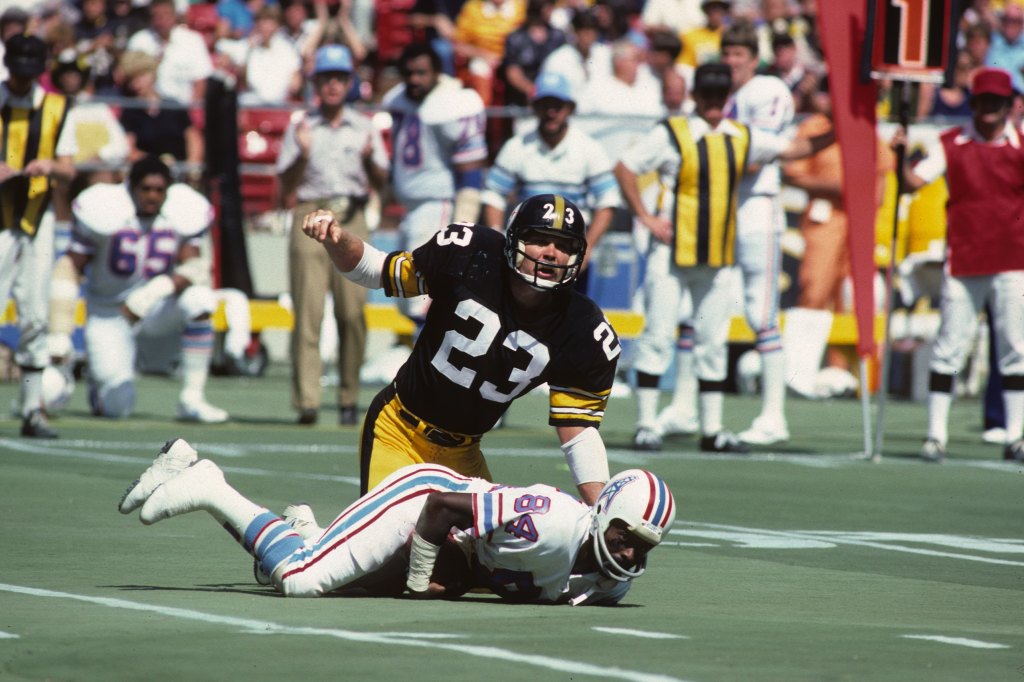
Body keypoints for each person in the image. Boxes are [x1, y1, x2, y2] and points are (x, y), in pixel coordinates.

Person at [302, 193, 622, 505]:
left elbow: (579, 435)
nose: (552, 253)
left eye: (565, 246)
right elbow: (377, 269)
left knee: (482, 555)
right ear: (513, 240)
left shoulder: (582, 327)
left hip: (465, 454)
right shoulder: (471, 253)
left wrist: (602, 511)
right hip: (399, 431)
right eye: (540, 239)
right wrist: (337, 238)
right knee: (391, 551)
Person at [118, 437, 676, 605]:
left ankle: (307, 531)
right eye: (627, 538)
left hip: (456, 552)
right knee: (299, 580)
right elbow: (441, 509)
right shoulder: (553, 521)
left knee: (314, 578)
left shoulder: (607, 582)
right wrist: (418, 581)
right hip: (423, 500)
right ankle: (210, 487)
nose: (630, 555)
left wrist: (449, 579)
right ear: (606, 516)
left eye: (643, 549)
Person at [615, 63, 834, 453]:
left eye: (720, 98)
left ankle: (712, 428)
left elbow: (794, 148)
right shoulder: (672, 133)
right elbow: (625, 166)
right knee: (658, 334)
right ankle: (646, 422)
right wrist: (645, 217)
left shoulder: (740, 135)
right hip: (671, 250)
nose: (714, 105)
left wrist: (842, 130)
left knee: (712, 341)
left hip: (716, 254)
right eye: (708, 97)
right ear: (696, 97)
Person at [892, 67, 1024, 463]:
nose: (987, 109)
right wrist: (898, 156)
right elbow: (913, 183)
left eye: (995, 103)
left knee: (1015, 349)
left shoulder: (1020, 146)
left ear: (1009, 105)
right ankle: (935, 435)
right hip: (965, 258)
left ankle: (1016, 435)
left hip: (1013, 259)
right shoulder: (950, 143)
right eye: (982, 101)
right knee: (949, 347)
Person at [47, 156, 228, 423]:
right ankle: (99, 388)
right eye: (146, 189)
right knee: (118, 409)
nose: (152, 196)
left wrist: (156, 290)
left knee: (200, 300)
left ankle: (192, 398)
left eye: (159, 190)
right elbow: (68, 267)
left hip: (154, 309)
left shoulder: (179, 212)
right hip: (111, 314)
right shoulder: (107, 210)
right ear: (131, 187)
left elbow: (196, 267)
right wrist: (59, 330)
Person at [277, 44, 389, 426]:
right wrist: (303, 154)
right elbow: (285, 186)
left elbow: (381, 181)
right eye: (326, 78)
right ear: (316, 83)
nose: (332, 85)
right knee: (308, 312)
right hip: (309, 213)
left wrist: (372, 158)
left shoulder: (364, 126)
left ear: (349, 83)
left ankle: (348, 397)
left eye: (339, 78)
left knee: (353, 312)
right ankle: (308, 400)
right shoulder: (302, 126)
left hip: (351, 214)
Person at [0, 34, 77, 438]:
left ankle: (32, 409)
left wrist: (47, 165)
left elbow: (70, 169)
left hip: (35, 215)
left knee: (34, 313)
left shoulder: (56, 107)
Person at [382, 42, 488, 326]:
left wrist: (463, 222)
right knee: (404, 291)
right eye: (409, 73)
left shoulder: (454, 103)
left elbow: (471, 171)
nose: (414, 79)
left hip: (438, 204)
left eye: (422, 73)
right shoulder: (399, 100)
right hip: (411, 207)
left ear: (438, 73)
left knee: (423, 293)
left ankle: (428, 358)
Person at [481, 71, 619, 273]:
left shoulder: (589, 148)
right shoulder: (516, 146)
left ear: (570, 108)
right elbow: (494, 195)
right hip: (528, 248)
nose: (551, 112)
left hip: (568, 248)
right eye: (544, 105)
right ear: (535, 107)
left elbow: (607, 200)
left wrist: (587, 249)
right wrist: (498, 238)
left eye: (558, 106)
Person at [125, 0, 213, 105]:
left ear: (174, 16)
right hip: (148, 108)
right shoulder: (138, 41)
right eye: (156, 15)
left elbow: (200, 81)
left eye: (165, 15)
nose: (161, 20)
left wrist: (192, 111)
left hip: (182, 108)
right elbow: (129, 78)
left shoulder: (193, 40)